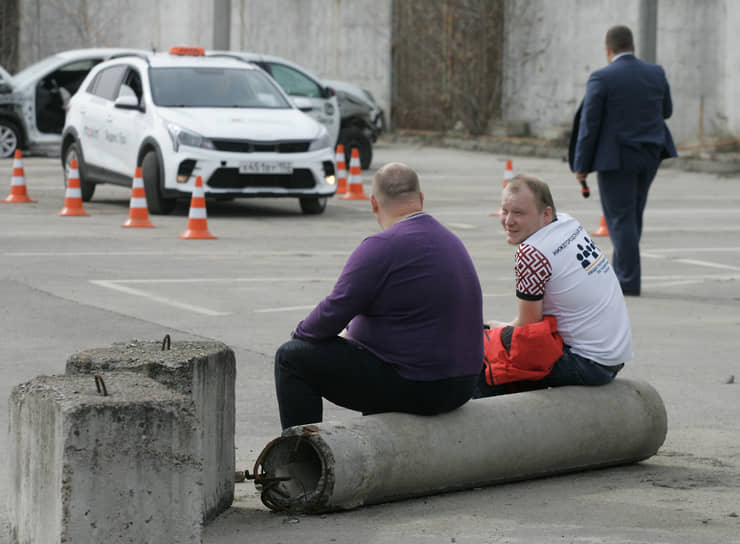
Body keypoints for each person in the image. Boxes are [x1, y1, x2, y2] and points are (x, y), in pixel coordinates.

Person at [274, 162, 484, 429]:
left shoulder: (381, 247)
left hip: (421, 385)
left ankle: (301, 459)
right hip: (463, 383)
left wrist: (301, 334)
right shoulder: (451, 240)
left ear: (373, 203)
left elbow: (328, 316)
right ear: (420, 199)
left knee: (291, 358)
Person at [475, 174, 632, 397]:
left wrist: (495, 327)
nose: (508, 221)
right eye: (505, 210)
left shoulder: (531, 252)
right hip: (613, 356)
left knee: (484, 360)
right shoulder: (568, 223)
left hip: (587, 364)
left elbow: (527, 326)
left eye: (518, 213)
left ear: (546, 213)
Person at [573, 25, 677, 296]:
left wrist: (581, 165)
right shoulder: (656, 73)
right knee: (632, 216)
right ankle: (621, 274)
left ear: (608, 49)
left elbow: (589, 124)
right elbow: (666, 110)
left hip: (616, 158)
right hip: (650, 155)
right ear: (632, 46)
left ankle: (627, 282)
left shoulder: (602, 77)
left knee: (619, 219)